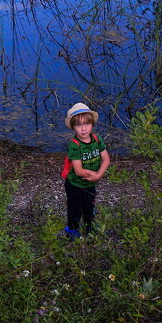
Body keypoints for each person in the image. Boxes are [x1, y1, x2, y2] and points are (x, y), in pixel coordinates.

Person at [61, 102, 110, 239]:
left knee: (89, 207)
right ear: (73, 127)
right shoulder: (74, 145)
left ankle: (90, 229)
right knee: (74, 208)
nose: (83, 129)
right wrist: (94, 175)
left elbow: (106, 159)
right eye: (79, 125)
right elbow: (78, 170)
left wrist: (98, 175)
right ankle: (72, 231)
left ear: (92, 124)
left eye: (87, 124)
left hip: (90, 183)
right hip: (75, 185)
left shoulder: (96, 139)